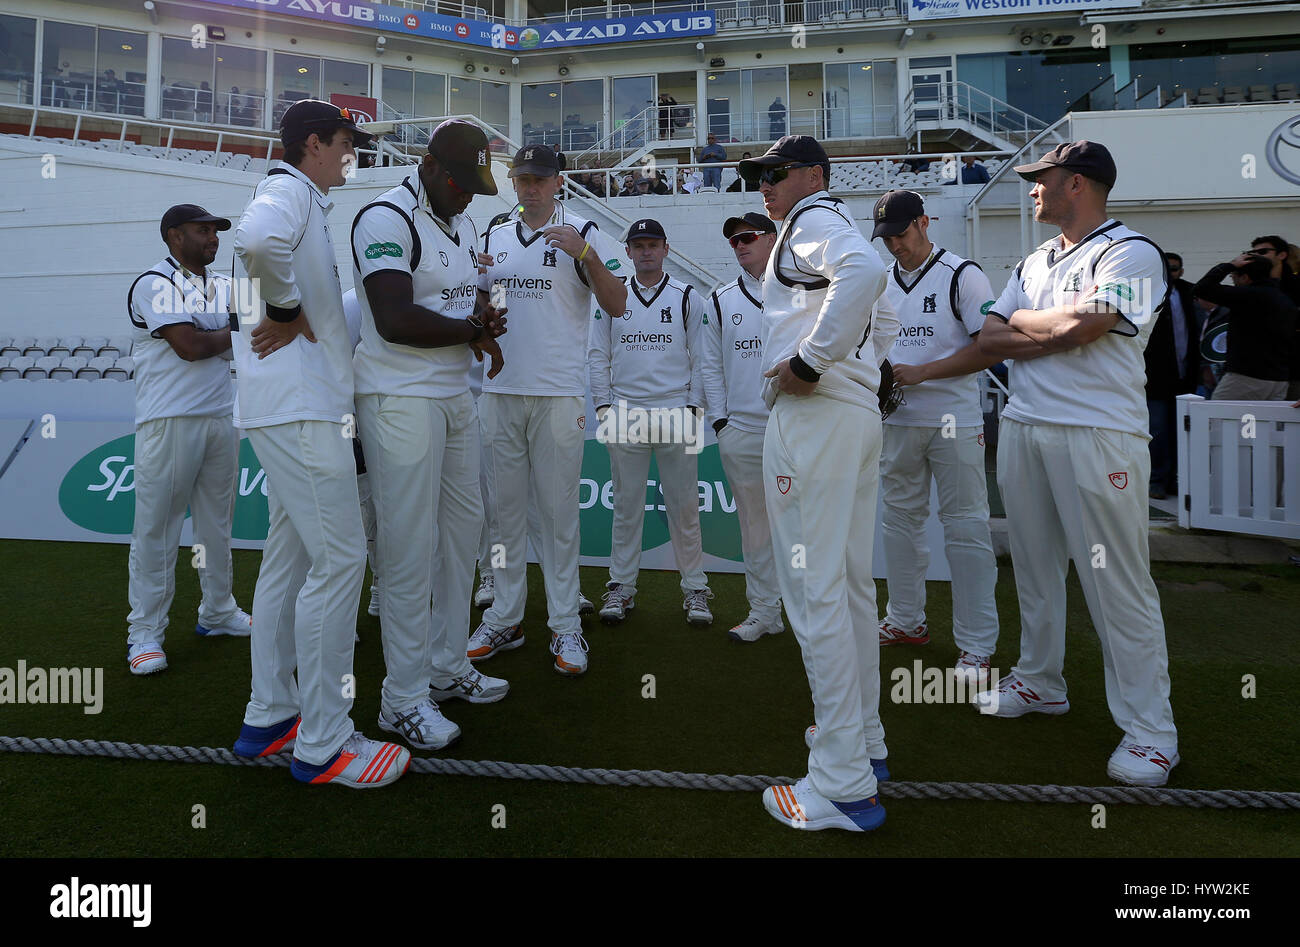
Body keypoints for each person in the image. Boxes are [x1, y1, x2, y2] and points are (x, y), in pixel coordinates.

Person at [975, 140, 1179, 787]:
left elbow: (1085, 329)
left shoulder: (1131, 251)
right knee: (1034, 569)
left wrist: (1032, 325)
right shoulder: (1037, 257)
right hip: (1025, 427)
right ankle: (1040, 681)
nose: (1034, 188)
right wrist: (1051, 324)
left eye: (1045, 179)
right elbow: (988, 336)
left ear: (1079, 185)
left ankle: (1152, 733)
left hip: (1098, 434)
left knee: (1116, 583)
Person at [229, 99, 411, 788]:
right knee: (340, 561)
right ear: (313, 144)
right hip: (304, 412)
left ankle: (271, 715)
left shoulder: (301, 197)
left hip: (290, 408)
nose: (350, 154)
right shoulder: (287, 191)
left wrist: (296, 306)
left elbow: (322, 302)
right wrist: (281, 308)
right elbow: (252, 242)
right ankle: (324, 742)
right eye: (343, 143)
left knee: (289, 562)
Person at [737, 135, 895, 831]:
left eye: (774, 173)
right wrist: (855, 370)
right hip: (852, 415)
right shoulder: (833, 222)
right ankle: (861, 741)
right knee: (851, 586)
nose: (762, 185)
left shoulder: (812, 223)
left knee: (815, 592)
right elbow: (882, 314)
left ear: (814, 175)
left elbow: (863, 276)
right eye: (757, 175)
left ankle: (841, 781)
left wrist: (810, 361)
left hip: (815, 415)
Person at [351, 120, 510, 746]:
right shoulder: (384, 218)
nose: (470, 194)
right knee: (408, 546)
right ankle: (402, 698)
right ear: (429, 166)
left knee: (460, 535)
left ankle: (446, 667)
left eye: (476, 183)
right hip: (398, 398)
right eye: (461, 181)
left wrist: (483, 325)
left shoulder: (465, 223)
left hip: (452, 397)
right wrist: (470, 332)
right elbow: (393, 319)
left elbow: (454, 307)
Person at [468, 143, 626, 677]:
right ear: (513, 182)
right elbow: (479, 309)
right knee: (504, 516)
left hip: (559, 392)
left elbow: (618, 303)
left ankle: (565, 625)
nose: (530, 187)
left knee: (558, 516)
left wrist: (586, 255)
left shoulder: (585, 230)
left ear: (559, 182)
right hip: (502, 391)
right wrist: (478, 306)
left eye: (540, 179)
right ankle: (506, 617)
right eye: (522, 178)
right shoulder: (493, 233)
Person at [870, 189, 1002, 676]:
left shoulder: (962, 274)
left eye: (901, 234)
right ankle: (905, 620)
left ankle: (977, 645)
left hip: (955, 421)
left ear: (925, 223)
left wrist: (924, 373)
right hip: (896, 422)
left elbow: (990, 348)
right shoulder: (879, 281)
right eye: (886, 238)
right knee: (899, 526)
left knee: (965, 529)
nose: (895, 246)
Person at [123, 204, 250, 676]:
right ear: (174, 236)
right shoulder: (153, 283)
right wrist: (235, 331)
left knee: (217, 523)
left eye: (216, 231)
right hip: (169, 419)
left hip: (221, 414)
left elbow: (258, 331)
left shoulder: (223, 284)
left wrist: (233, 331)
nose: (212, 238)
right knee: (158, 528)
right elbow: (190, 347)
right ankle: (145, 634)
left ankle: (218, 610)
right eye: (203, 230)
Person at [589, 218, 714, 630]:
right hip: (625, 413)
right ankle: (621, 587)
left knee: (684, 508)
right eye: (638, 245)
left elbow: (702, 358)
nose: (645, 251)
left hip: (675, 411)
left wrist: (694, 408)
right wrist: (604, 406)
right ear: (627, 251)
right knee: (626, 508)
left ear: (666, 249)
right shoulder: (611, 294)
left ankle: (695, 588)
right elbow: (597, 355)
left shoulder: (686, 297)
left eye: (653, 244)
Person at [699, 212, 785, 642]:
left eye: (748, 237)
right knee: (754, 526)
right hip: (743, 432)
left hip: (796, 428)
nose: (740, 245)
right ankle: (765, 611)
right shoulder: (720, 298)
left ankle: (812, 613)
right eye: (733, 241)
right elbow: (709, 365)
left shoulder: (801, 288)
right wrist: (721, 422)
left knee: (807, 527)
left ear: (773, 238)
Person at [1193, 254, 1296, 401]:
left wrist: (1230, 265)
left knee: (1217, 419)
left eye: (1233, 276)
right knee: (1264, 422)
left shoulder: (1248, 295)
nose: (1233, 280)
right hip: (1279, 378)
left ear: (1245, 277)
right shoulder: (1284, 299)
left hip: (1246, 376)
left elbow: (1201, 289)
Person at [1144, 252, 1202, 498]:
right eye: (1166, 268)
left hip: (1186, 376)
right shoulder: (1146, 294)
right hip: (1155, 378)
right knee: (1157, 432)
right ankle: (1157, 480)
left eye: (1176, 269)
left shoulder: (1190, 292)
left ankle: (1176, 480)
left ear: (1182, 271)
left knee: (1183, 432)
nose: (1171, 273)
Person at [1248, 235, 1300, 400]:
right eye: (1253, 252)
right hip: (1256, 367)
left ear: (1282, 255)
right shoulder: (1251, 285)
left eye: (1263, 252)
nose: (1256, 256)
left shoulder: (1296, 285)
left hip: (1292, 367)